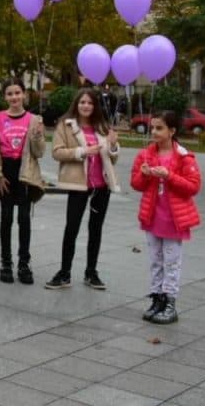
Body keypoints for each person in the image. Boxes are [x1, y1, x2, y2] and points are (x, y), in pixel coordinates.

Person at [45, 87, 120, 290]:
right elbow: (57, 152)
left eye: (90, 103)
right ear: (76, 104)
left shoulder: (103, 126)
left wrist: (113, 146)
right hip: (78, 184)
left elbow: (113, 158)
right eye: (82, 102)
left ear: (95, 106)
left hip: (101, 185)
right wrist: (83, 151)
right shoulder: (65, 125)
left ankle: (91, 272)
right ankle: (64, 273)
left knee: (96, 229)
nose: (86, 106)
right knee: (72, 228)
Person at [131, 111, 201, 324]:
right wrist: (143, 174)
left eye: (159, 128)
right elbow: (136, 184)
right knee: (155, 261)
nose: (154, 132)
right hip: (152, 217)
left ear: (172, 131)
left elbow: (193, 186)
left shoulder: (183, 156)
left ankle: (170, 302)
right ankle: (157, 298)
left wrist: (169, 176)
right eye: (153, 127)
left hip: (174, 219)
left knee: (171, 262)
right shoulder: (145, 155)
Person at [0, 78, 45, 284]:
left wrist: (37, 136)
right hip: (5, 171)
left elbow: (39, 152)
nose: (14, 97)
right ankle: (6, 263)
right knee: (6, 218)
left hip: (25, 171)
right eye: (9, 93)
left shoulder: (34, 119)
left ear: (24, 94)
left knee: (24, 219)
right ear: (5, 97)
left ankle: (24, 264)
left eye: (17, 93)